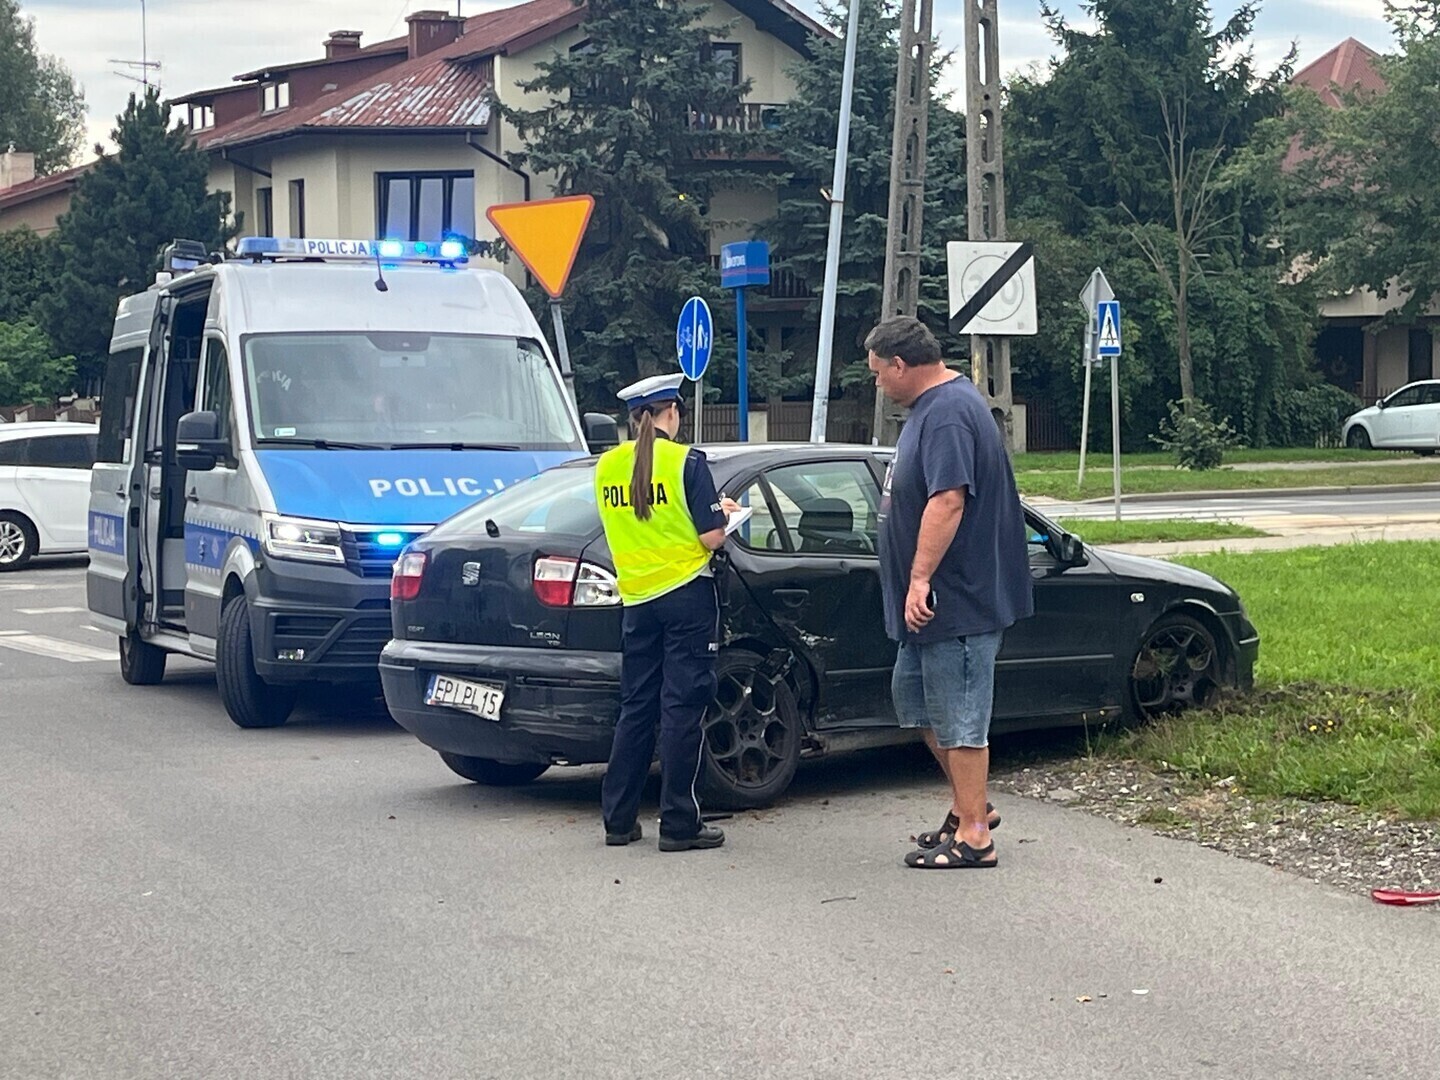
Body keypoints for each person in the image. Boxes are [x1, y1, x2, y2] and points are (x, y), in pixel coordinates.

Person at [866, 317, 1034, 869]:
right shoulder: (932, 410)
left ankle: (975, 837)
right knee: (916, 705)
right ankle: (972, 805)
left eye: (877, 374)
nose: (877, 385)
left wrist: (918, 578)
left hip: (956, 599)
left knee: (961, 719)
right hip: (932, 608)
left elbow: (948, 501)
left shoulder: (949, 416)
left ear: (900, 365)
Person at [594, 372, 738, 852]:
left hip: (637, 600)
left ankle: (618, 820)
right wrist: (724, 515)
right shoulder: (686, 462)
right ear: (670, 413)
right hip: (686, 596)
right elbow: (710, 537)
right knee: (681, 707)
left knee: (636, 706)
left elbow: (644, 521)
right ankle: (679, 821)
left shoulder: (606, 467)